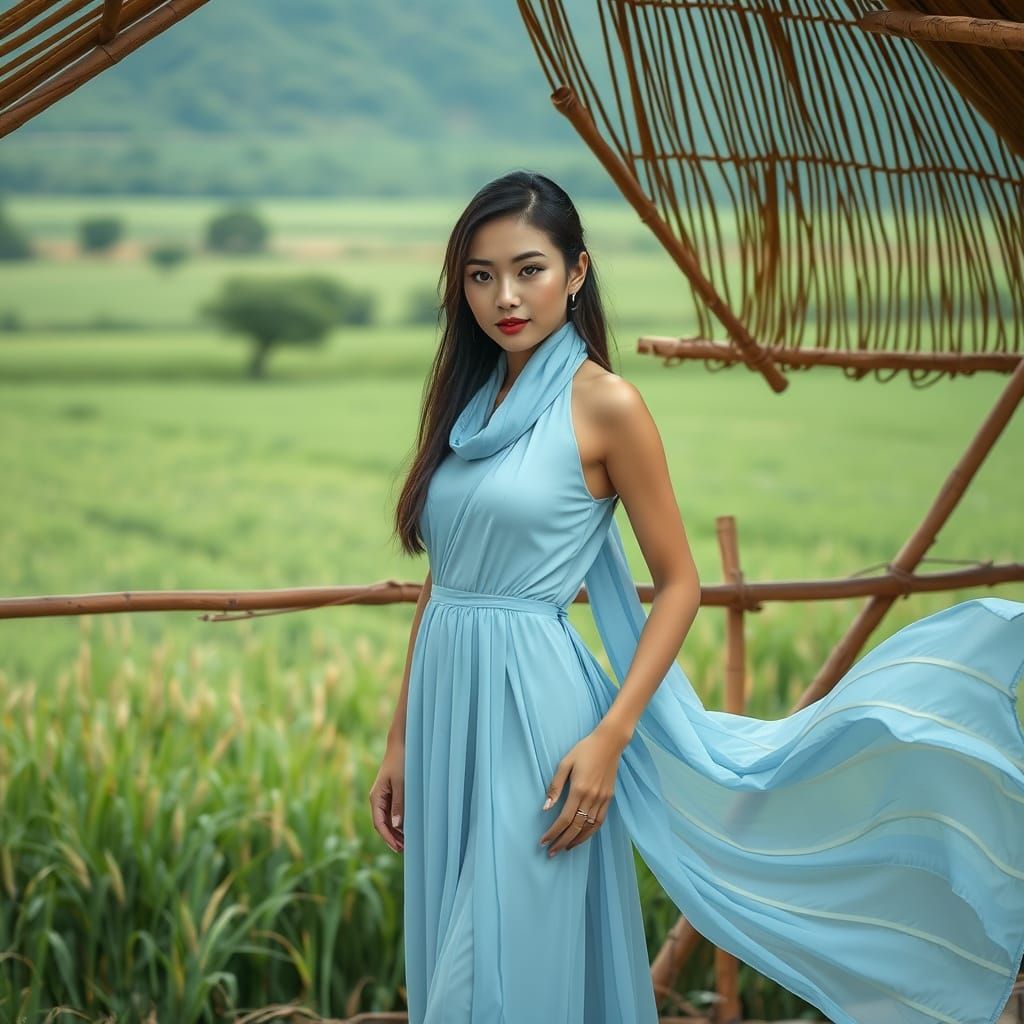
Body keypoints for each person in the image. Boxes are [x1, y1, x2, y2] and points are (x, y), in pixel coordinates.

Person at [371, 170, 1024, 1024]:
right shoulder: (467, 406)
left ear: (576, 272)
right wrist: (399, 738)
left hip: (535, 715)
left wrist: (611, 735)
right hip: (448, 712)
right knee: (454, 955)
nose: (505, 296)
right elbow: (444, 580)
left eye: (529, 269)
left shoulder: (606, 405)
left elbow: (681, 584)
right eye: (481, 275)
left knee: (501, 965)